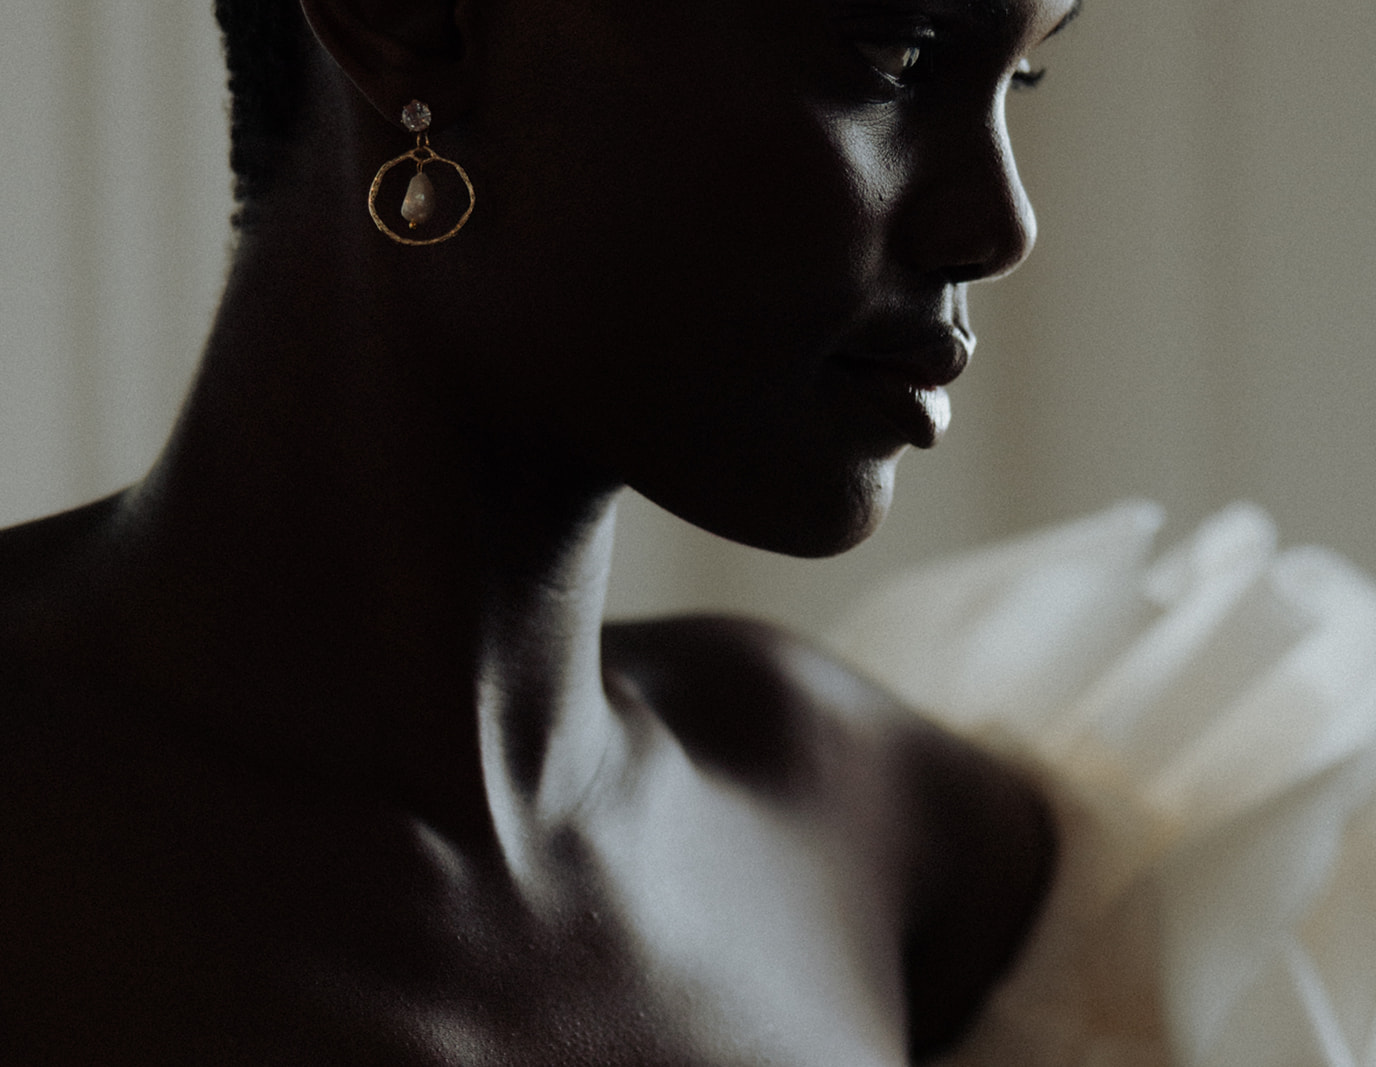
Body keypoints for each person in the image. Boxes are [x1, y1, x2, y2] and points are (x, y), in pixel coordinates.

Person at [0, 0, 1086, 1062]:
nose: (999, 227)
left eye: (1019, 80)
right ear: (407, 21)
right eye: (895, 53)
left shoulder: (856, 810)